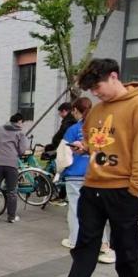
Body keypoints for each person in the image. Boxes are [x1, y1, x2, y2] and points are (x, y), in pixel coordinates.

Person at [52, 59, 138, 277]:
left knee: (126, 244)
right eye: (91, 89)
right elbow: (96, 141)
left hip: (123, 188)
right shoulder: (97, 111)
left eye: (97, 86)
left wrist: (136, 186)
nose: (95, 92)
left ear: (113, 76)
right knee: (85, 243)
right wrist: (85, 147)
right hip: (92, 186)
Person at [59, 97, 116, 264]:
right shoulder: (99, 128)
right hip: (94, 174)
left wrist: (60, 171)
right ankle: (104, 244)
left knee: (75, 208)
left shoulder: (73, 129)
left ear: (76, 111)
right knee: (97, 211)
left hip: (75, 174)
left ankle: (74, 240)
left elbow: (63, 155)